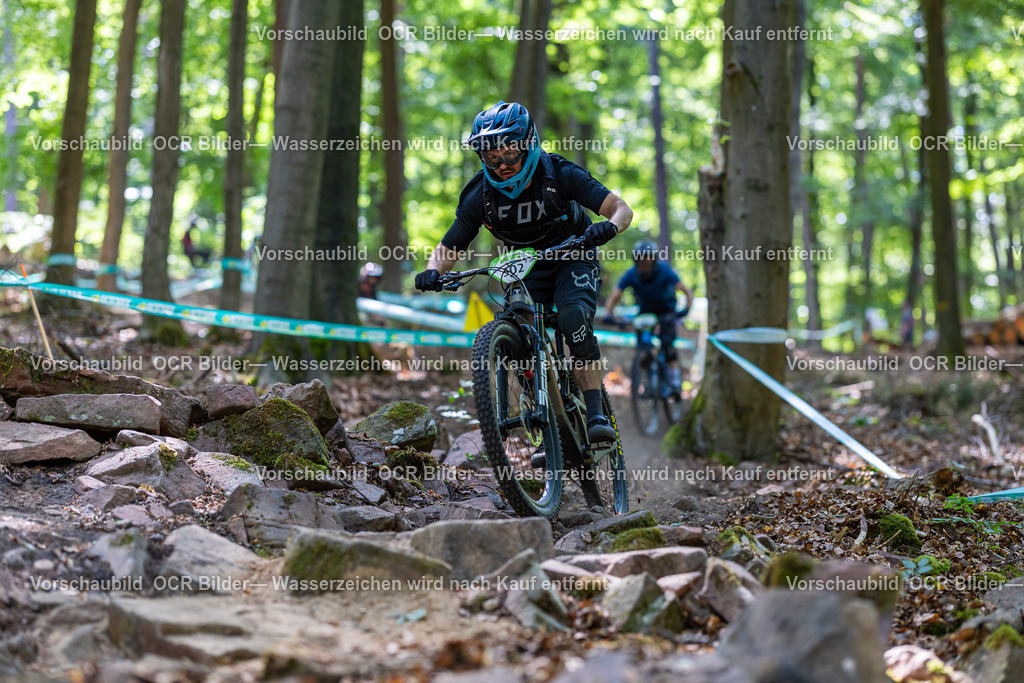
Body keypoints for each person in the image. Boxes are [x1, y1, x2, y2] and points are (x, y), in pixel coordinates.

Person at [414, 101, 633, 443]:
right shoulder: (479, 196)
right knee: (520, 330)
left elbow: (620, 209)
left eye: (510, 154)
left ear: (529, 143)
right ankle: (547, 428)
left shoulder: (559, 173)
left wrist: (608, 228)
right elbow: (449, 246)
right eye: (491, 157)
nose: (502, 165)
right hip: (526, 265)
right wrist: (431, 271)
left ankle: (595, 410)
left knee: (574, 316)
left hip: (573, 255)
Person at [603, 239, 694, 396]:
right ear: (635, 258)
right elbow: (616, 294)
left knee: (667, 343)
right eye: (641, 257)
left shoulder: (664, 271)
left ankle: (674, 384)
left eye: (648, 257)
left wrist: (685, 310)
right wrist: (608, 314)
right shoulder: (631, 274)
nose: (644, 261)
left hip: (667, 310)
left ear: (654, 258)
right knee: (643, 347)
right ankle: (648, 381)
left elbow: (686, 291)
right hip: (646, 312)